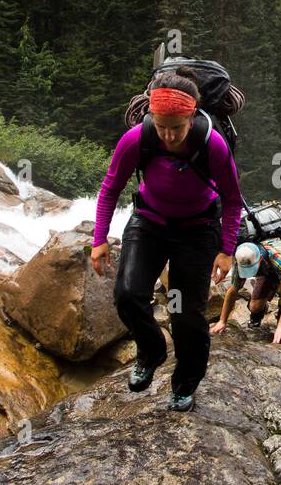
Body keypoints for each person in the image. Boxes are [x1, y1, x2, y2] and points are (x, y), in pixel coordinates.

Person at [89, 67, 241, 412]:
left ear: (191, 116)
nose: (169, 136)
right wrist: (99, 238)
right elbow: (111, 186)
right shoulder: (136, 139)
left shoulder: (211, 142)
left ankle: (184, 385)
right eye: (162, 127)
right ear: (151, 117)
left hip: (198, 230)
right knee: (128, 294)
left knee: (186, 314)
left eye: (177, 128)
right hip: (149, 223)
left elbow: (232, 198)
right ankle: (152, 350)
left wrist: (226, 249)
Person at [210, 235, 281, 347]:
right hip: (267, 268)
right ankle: (256, 317)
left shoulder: (278, 256)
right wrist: (222, 321)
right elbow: (232, 291)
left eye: (251, 269)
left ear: (259, 259)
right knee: (255, 306)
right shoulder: (241, 258)